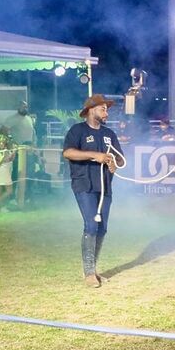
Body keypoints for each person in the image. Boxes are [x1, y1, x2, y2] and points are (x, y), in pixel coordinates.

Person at [62, 94, 124, 288]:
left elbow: (121, 159)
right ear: (91, 110)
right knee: (91, 225)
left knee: (102, 228)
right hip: (84, 185)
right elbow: (68, 152)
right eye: (103, 108)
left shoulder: (109, 134)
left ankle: (93, 269)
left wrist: (114, 162)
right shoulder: (77, 130)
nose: (106, 112)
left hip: (105, 186)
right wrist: (94, 155)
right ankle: (89, 273)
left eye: (107, 109)